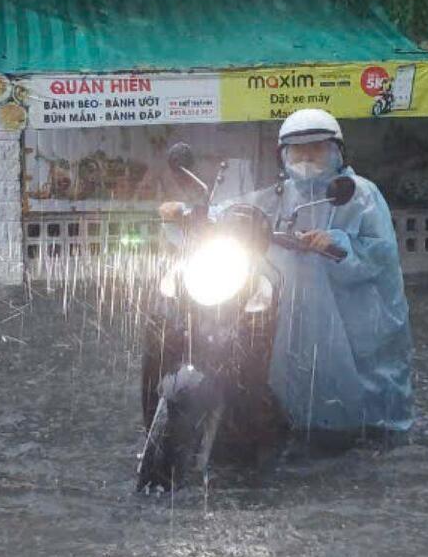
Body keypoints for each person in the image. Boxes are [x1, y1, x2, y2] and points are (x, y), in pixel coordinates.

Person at [161, 108, 414, 443]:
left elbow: (379, 254)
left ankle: (373, 434)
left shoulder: (359, 193)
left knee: (360, 386)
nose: (306, 156)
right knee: (290, 367)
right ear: (283, 155)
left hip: (350, 310)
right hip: (294, 300)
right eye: (297, 149)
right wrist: (189, 213)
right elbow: (240, 211)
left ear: (337, 151)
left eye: (316, 148)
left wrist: (336, 242)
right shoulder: (281, 194)